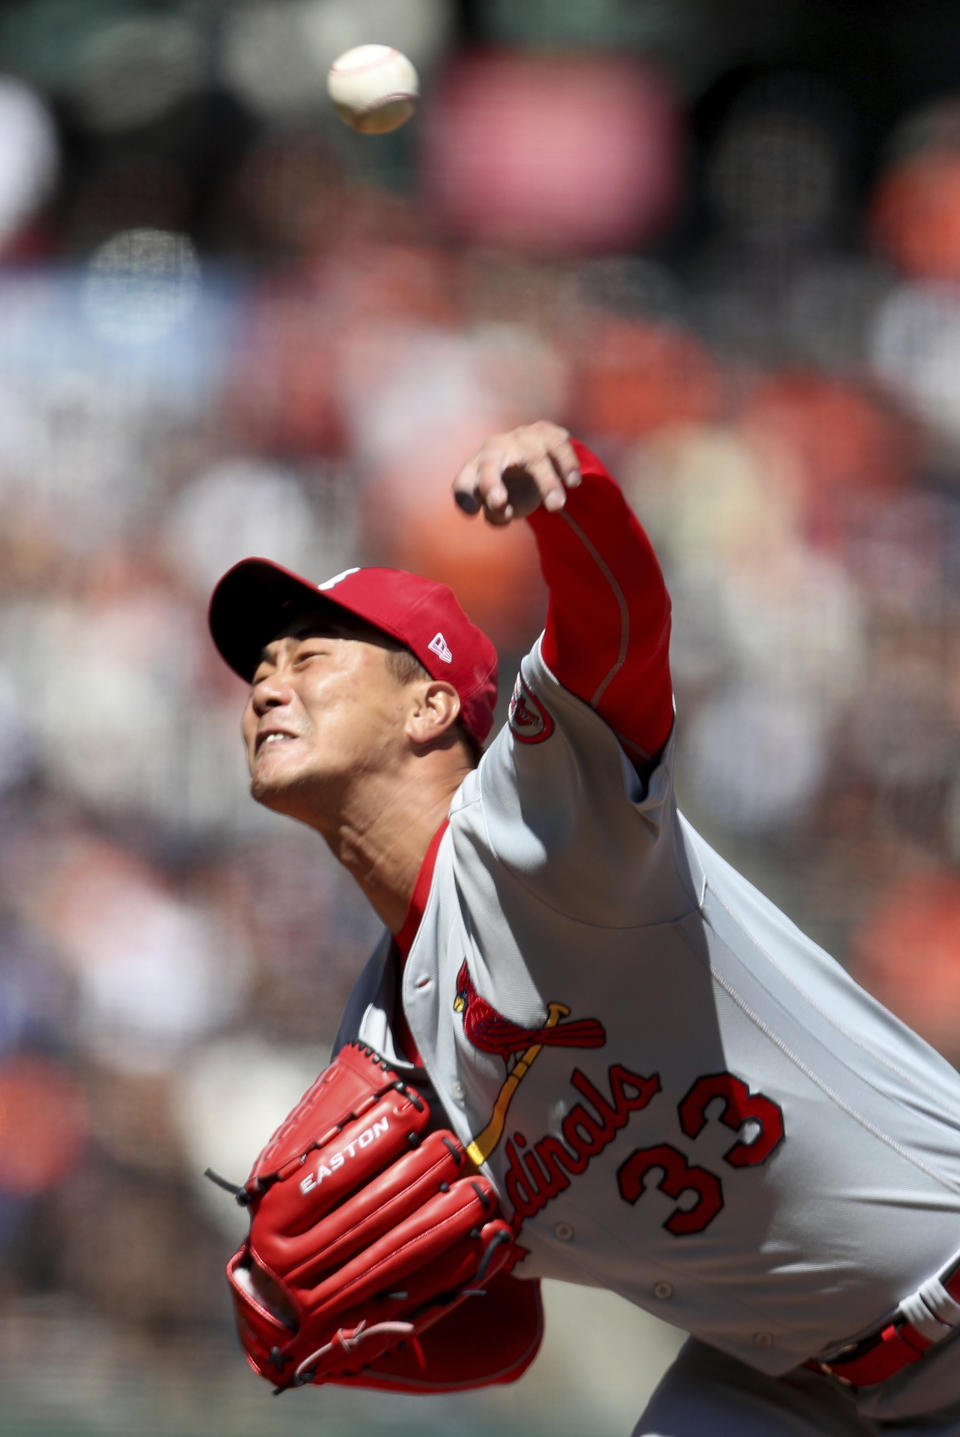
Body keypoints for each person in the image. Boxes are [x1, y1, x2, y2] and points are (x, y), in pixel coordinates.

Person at [208, 420, 960, 1435]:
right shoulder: (385, 1051)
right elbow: (502, 1331)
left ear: (430, 706)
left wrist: (574, 500)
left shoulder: (535, 830)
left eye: (310, 653)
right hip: (784, 1383)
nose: (267, 679)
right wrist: (310, 1317)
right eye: (261, 663)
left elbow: (619, 635)